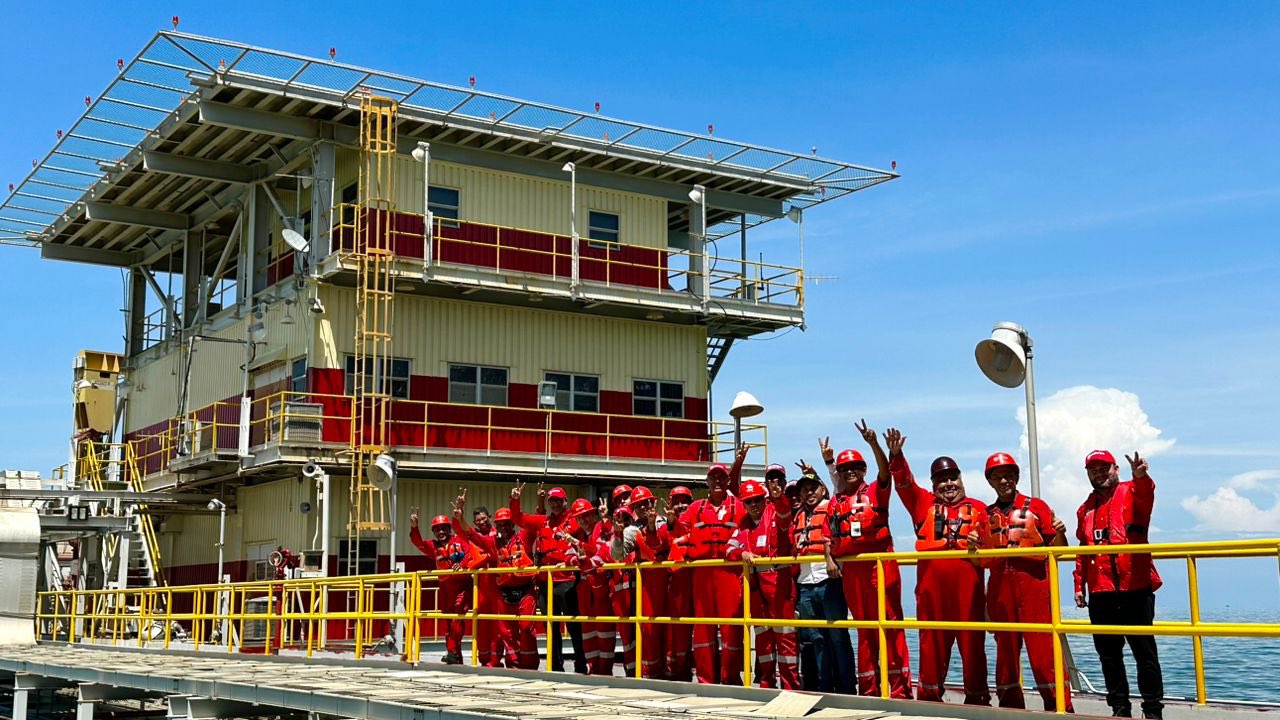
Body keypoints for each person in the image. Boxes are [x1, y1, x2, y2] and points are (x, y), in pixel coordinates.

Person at [888, 428, 992, 705]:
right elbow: (904, 483)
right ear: (933, 485)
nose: (948, 484)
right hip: (931, 595)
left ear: (961, 479)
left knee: (973, 648)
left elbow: (997, 550)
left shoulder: (981, 509)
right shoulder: (923, 505)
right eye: (941, 480)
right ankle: (929, 698)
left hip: (969, 594)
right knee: (931, 645)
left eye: (952, 477)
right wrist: (896, 456)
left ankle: (978, 698)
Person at [822, 420, 912, 698]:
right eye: (844, 469)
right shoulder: (836, 502)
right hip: (853, 571)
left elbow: (886, 473)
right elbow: (827, 537)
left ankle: (899, 689)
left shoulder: (875, 491)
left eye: (854, 468)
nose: (849, 472)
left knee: (890, 624)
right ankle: (870, 687)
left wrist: (873, 443)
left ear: (863, 471)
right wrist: (829, 559)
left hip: (880, 565)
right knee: (864, 628)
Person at [1075, 450, 1165, 719]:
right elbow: (1083, 550)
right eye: (1094, 470)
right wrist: (1079, 585)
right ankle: (1120, 709)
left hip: (1135, 588)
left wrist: (1141, 476)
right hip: (1100, 592)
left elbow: (1146, 493)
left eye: (1105, 468)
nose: (1100, 473)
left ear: (1116, 469)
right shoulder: (1084, 509)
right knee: (1109, 657)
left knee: (1145, 654)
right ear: (1088, 474)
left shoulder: (1133, 492)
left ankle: (1152, 711)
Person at [984, 452, 1073, 711]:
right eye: (998, 476)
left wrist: (1059, 532)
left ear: (1017, 477)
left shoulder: (1038, 508)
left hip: (1034, 586)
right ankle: (1011, 708)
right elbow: (979, 559)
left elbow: (1061, 550)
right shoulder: (985, 514)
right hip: (1000, 590)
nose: (1004, 481)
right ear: (990, 481)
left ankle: (1060, 707)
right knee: (1006, 654)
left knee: (1044, 652)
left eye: (1009, 475)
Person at [670, 446, 749, 684]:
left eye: (721, 477)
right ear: (706, 482)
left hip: (730, 574)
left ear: (727, 481)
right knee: (703, 631)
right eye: (712, 477)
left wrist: (737, 465)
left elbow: (747, 532)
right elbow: (678, 535)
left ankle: (730, 678)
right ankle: (706, 679)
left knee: (731, 630)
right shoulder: (695, 509)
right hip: (702, 576)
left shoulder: (738, 507)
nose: (717, 481)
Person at [452, 489, 538, 668]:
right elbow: (471, 535)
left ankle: (529, 664)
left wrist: (516, 501)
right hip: (501, 591)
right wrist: (460, 517)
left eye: (507, 524)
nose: (504, 528)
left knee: (525, 627)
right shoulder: (492, 543)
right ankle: (513, 663)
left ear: (512, 524)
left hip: (524, 590)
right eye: (500, 525)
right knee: (505, 630)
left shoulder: (523, 536)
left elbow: (534, 522)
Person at [727, 477, 798, 689]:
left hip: (779, 582)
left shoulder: (776, 513)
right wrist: (742, 553)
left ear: (764, 499)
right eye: (749, 501)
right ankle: (766, 681)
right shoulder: (743, 524)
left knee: (785, 636)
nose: (754, 505)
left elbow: (786, 513)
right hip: (756, 587)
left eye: (758, 499)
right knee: (763, 637)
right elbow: (728, 550)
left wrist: (779, 497)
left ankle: (791, 685)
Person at [792, 463, 857, 694]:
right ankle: (825, 686)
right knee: (817, 638)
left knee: (838, 635)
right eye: (804, 489)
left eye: (813, 488)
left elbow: (838, 487)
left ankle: (847, 686)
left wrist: (826, 463)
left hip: (829, 582)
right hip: (805, 585)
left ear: (822, 490)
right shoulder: (798, 516)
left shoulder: (830, 507)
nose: (809, 492)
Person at [510, 482, 586, 673]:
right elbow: (518, 518)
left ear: (565, 501)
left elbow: (588, 532)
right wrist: (515, 500)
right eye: (552, 501)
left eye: (558, 501)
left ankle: (580, 664)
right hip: (546, 582)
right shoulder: (542, 521)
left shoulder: (575, 520)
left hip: (568, 580)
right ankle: (555, 665)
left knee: (574, 625)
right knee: (551, 626)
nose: (555, 504)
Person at [409, 507, 487, 664]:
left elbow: (473, 553)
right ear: (434, 532)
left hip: (462, 585)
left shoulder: (460, 541)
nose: (441, 532)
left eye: (444, 528)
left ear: (449, 529)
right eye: (437, 529)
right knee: (448, 621)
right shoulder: (433, 546)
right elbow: (418, 543)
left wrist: (462, 565)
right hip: (445, 588)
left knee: (458, 617)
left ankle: (452, 651)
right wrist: (414, 527)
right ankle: (454, 654)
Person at [612, 485, 673, 679]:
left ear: (653, 502)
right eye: (638, 505)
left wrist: (657, 524)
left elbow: (665, 543)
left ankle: (672, 670)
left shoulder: (664, 521)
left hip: (670, 581)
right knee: (649, 629)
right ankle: (650, 673)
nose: (643, 508)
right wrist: (618, 536)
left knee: (671, 629)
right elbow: (618, 555)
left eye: (646, 503)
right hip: (647, 583)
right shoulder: (631, 530)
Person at [664, 485, 696, 681]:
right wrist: (670, 522)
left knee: (702, 630)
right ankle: (678, 672)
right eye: (676, 502)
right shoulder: (664, 527)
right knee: (677, 631)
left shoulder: (698, 521)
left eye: (684, 501)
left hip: (699, 581)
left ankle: (706, 673)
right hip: (676, 584)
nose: (680, 505)